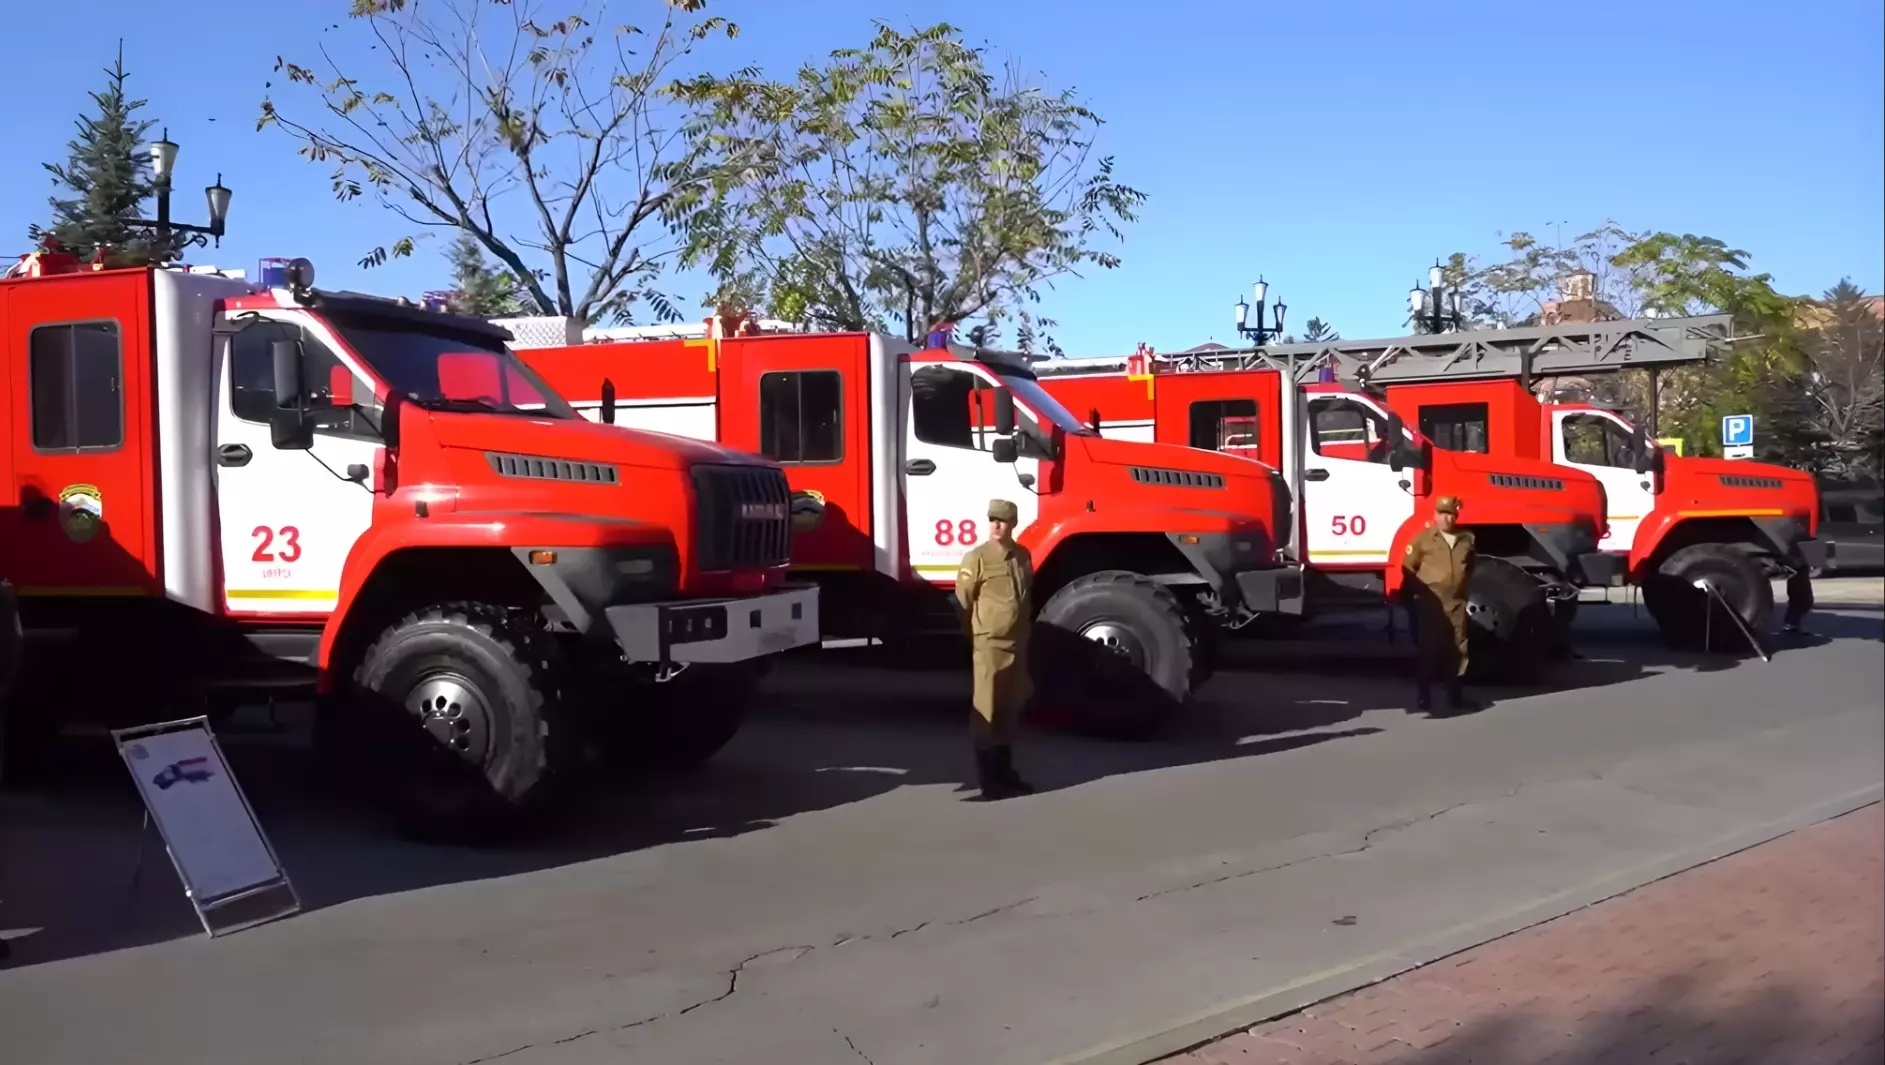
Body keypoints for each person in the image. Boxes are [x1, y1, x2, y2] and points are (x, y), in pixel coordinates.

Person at [954, 499, 1036, 800]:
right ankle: (988, 780)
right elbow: (963, 601)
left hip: (1017, 645)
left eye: (1002, 520)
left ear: (1013, 523)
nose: (996, 525)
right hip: (989, 647)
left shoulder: (1022, 556)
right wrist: (974, 636)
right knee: (986, 713)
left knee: (1008, 711)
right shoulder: (977, 557)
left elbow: (1026, 600)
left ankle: (1006, 772)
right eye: (992, 520)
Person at [1402, 496, 1479, 714]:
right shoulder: (1423, 539)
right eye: (1442, 513)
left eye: (1450, 514)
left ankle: (1455, 694)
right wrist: (1421, 594)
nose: (1446, 518)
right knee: (1429, 648)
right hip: (1431, 604)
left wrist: (1461, 588)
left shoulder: (1467, 538)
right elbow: (1408, 567)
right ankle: (1424, 695)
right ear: (1435, 515)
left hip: (1456, 603)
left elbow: (1471, 565)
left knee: (1458, 648)